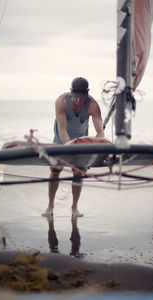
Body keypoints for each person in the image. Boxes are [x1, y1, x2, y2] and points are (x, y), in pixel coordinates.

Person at [42, 77, 105, 218]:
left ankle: (74, 207)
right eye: (75, 97)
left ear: (87, 92)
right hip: (60, 140)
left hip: (81, 142)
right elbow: (62, 129)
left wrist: (97, 150)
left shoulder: (93, 105)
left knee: (78, 174)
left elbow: (100, 132)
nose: (78, 100)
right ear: (71, 91)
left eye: (82, 97)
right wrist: (69, 149)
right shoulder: (61, 102)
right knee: (55, 171)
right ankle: (50, 206)